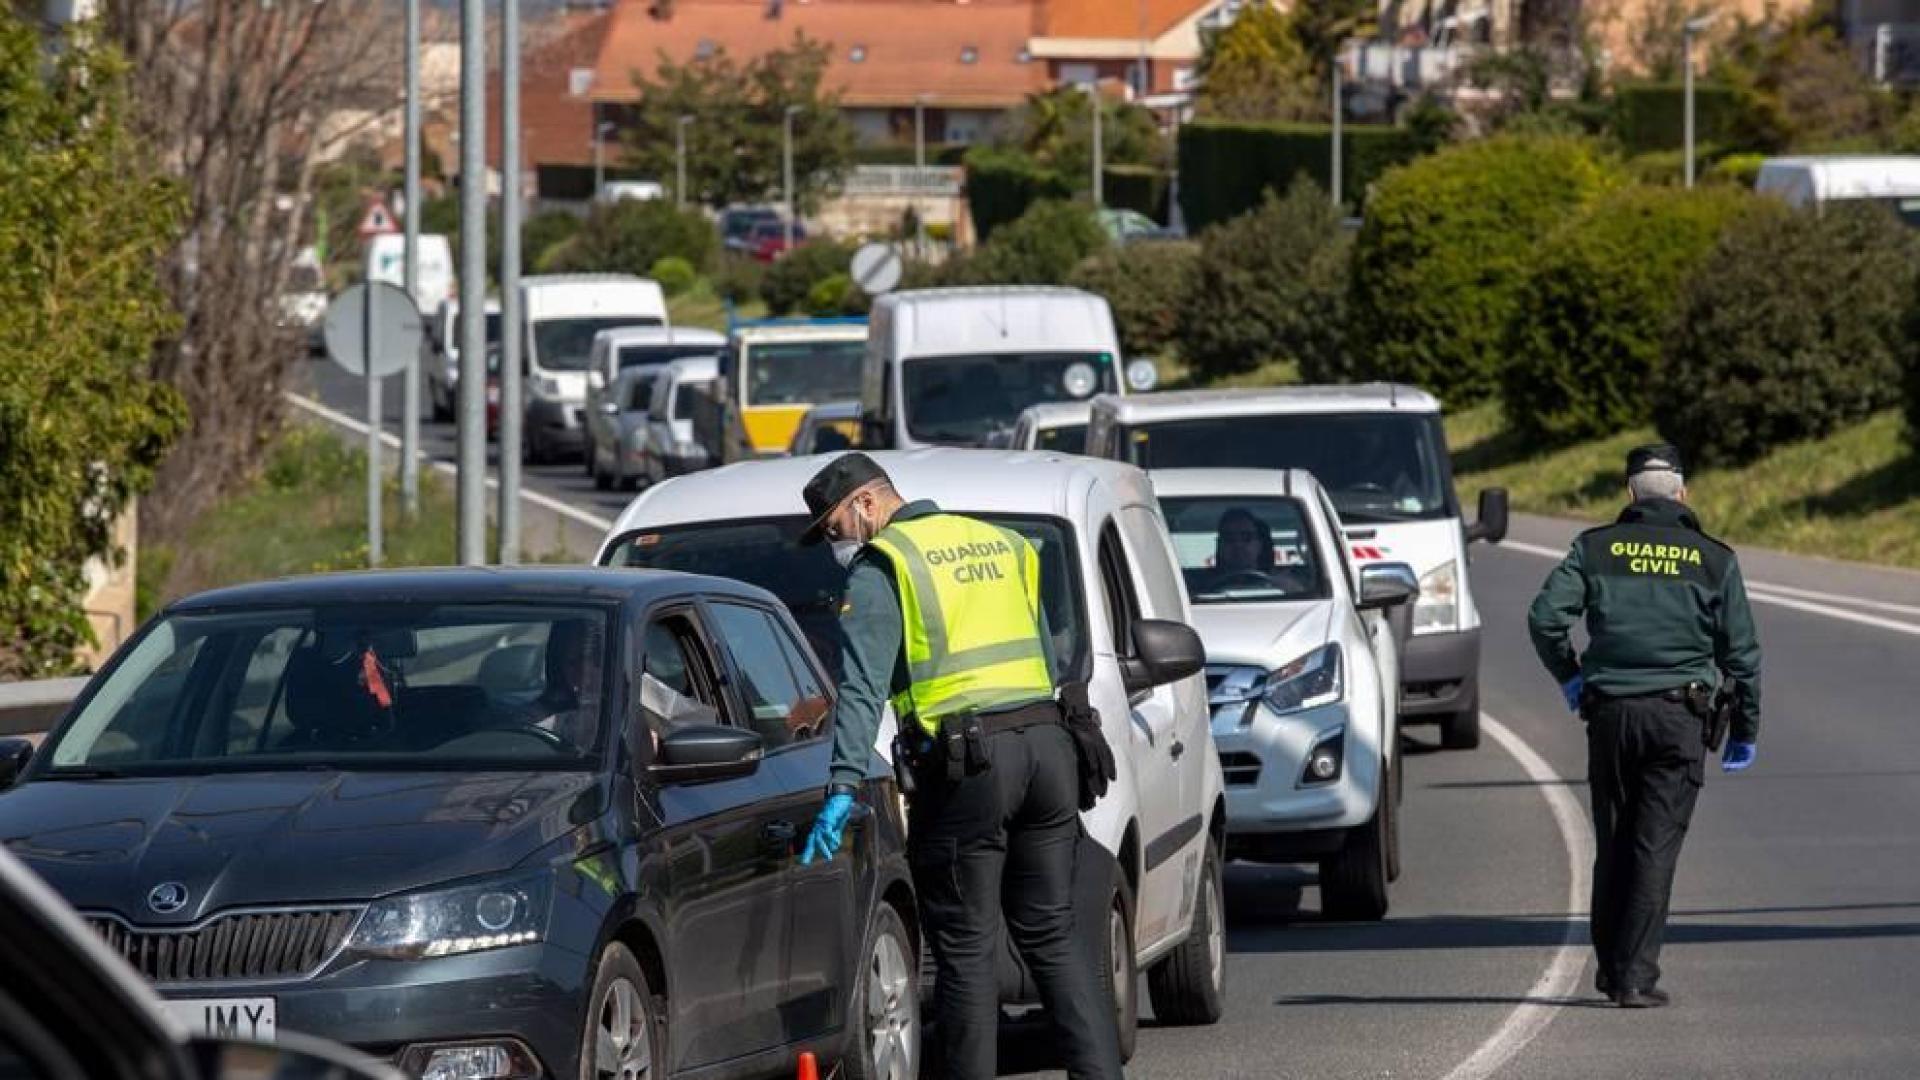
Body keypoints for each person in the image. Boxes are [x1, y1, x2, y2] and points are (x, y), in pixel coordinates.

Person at [795, 452, 1122, 1080]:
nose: (833, 543)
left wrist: (841, 785)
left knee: (967, 949)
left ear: (865, 504)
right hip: (1049, 749)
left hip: (973, 765)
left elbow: (863, 689)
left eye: (833, 527)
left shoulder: (883, 565)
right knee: (1053, 933)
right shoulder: (999, 543)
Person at [1527, 443, 1762, 1008]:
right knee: (1654, 847)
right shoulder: (1714, 559)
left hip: (1610, 715)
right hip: (1679, 718)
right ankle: (1635, 978)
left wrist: (1571, 676)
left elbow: (1544, 618)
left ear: (1630, 492)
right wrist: (1745, 730)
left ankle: (1611, 971)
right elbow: (1743, 656)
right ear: (1683, 493)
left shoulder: (1595, 548)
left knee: (1613, 843)